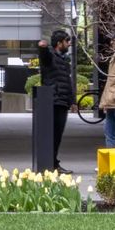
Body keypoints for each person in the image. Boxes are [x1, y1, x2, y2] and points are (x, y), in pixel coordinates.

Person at [37, 29, 77, 173]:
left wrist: (73, 101)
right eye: (67, 41)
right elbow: (44, 56)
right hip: (52, 102)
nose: (69, 44)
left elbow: (68, 81)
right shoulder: (50, 57)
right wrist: (42, 48)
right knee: (52, 135)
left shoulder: (63, 60)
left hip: (62, 102)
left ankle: (53, 163)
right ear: (59, 43)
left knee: (57, 136)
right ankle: (51, 164)